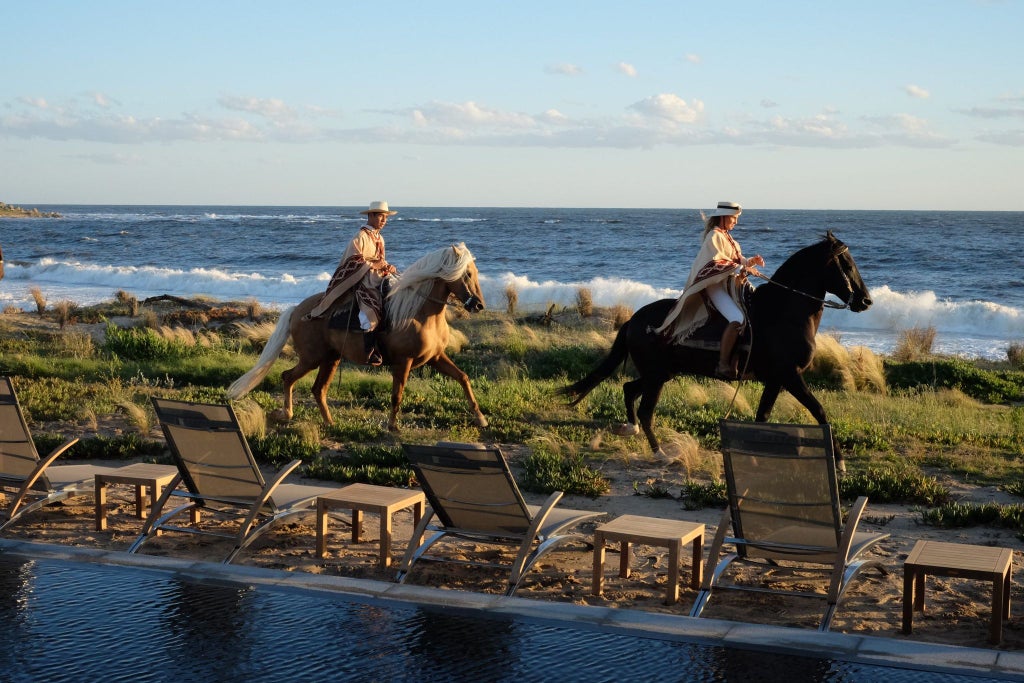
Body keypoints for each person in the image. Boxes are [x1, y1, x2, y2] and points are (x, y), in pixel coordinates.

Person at [654, 201, 765, 380]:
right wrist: (741, 269)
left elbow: (736, 259)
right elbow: (715, 263)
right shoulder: (713, 236)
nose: (736, 222)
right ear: (723, 216)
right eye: (734, 218)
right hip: (715, 286)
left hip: (729, 285)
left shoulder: (728, 238)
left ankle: (740, 361)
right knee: (738, 319)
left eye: (737, 218)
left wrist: (751, 262)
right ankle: (722, 364)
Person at [305, 200, 399, 365]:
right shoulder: (361, 236)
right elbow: (352, 261)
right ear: (370, 216)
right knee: (369, 313)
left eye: (386, 217)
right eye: (381, 217)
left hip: (378, 278)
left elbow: (380, 260)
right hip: (363, 281)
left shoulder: (380, 238)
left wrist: (387, 266)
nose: (384, 220)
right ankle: (370, 352)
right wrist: (372, 265)